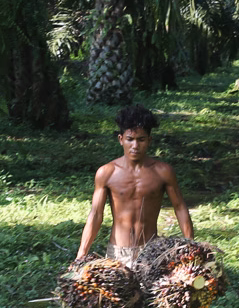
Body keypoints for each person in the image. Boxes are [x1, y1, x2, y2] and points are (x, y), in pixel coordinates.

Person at [75, 105, 194, 267]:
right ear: (121, 139)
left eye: (141, 140)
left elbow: (180, 207)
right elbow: (96, 214)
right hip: (117, 253)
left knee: (152, 292)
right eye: (130, 139)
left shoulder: (163, 172)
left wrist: (190, 246)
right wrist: (81, 254)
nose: (135, 146)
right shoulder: (107, 173)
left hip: (151, 251)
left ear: (149, 141)